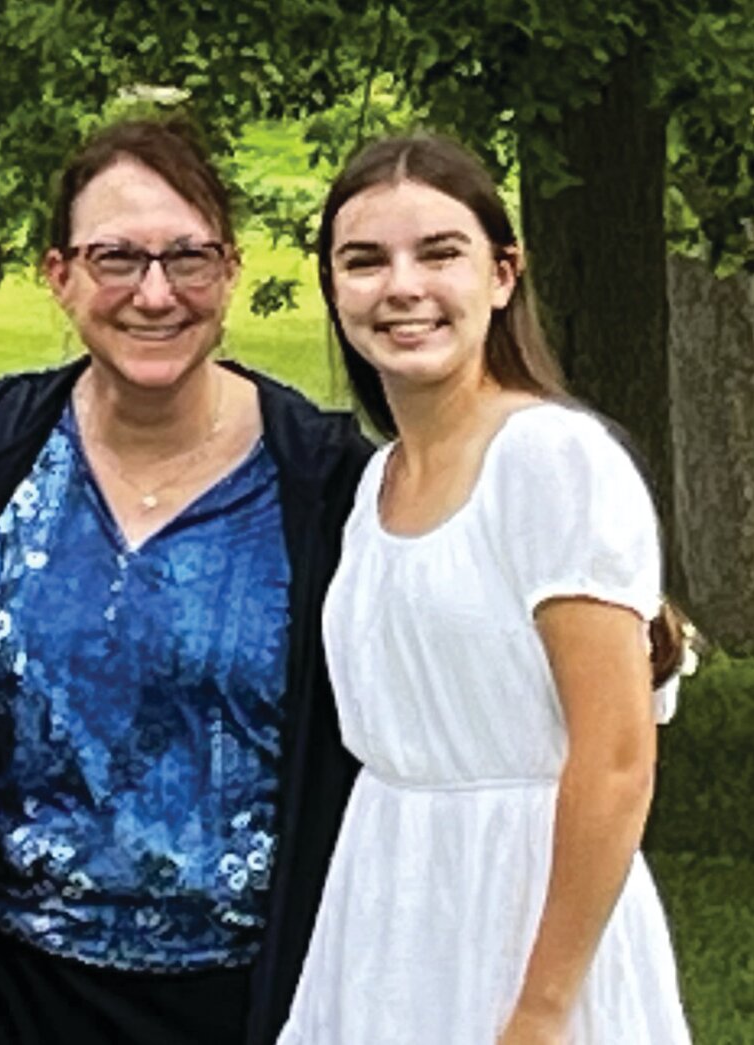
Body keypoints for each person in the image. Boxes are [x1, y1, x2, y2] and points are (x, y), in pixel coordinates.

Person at [0, 118, 372, 1045]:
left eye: (189, 257)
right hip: (17, 993)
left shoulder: (321, 482)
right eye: (116, 257)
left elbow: (445, 601)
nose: (155, 292)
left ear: (233, 270)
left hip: (252, 996)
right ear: (59, 273)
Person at [277, 133, 691, 1044]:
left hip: (530, 925)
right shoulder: (374, 486)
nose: (402, 286)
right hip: (389, 908)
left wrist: (542, 1012)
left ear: (503, 274)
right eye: (364, 260)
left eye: (439, 252)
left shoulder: (552, 461)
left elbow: (616, 760)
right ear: (334, 288)